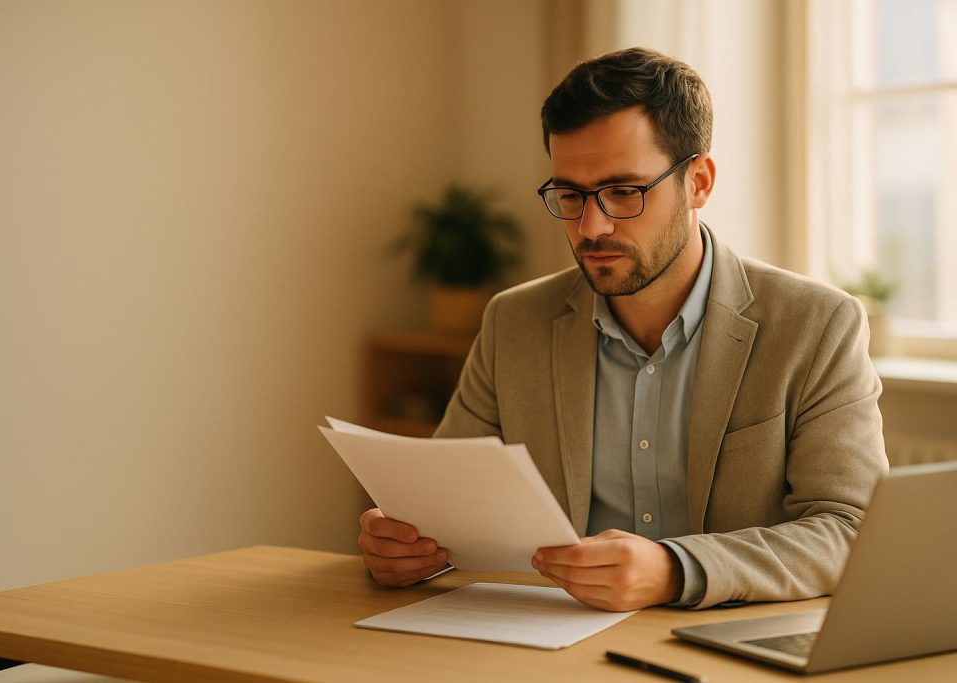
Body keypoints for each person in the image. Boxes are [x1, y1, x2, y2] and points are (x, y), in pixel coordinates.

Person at [357, 47, 888, 611]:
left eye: (623, 192)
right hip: (551, 633)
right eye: (570, 195)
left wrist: (676, 570)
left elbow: (853, 528)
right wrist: (408, 546)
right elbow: (447, 510)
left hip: (721, 638)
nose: (592, 226)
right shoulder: (513, 322)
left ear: (699, 182)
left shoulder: (816, 325)